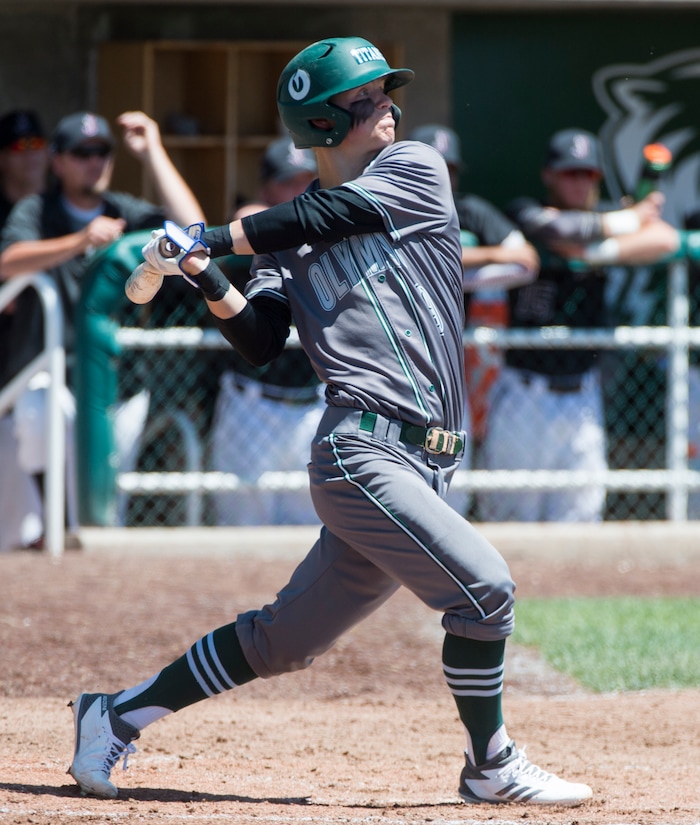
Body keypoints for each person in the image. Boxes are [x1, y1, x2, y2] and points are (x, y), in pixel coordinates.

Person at [67, 37, 593, 807]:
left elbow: (330, 211)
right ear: (322, 122)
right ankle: (492, 762)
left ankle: (113, 713)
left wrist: (213, 237)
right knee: (484, 591)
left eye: (385, 91)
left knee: (281, 642)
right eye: (369, 97)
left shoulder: (414, 172)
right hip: (361, 453)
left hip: (430, 462)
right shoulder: (283, 239)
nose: (389, 105)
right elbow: (260, 339)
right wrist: (207, 274)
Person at [0, 110, 205, 548]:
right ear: (58, 162)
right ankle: (54, 528)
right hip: (52, 370)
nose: (94, 161)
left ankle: (90, 562)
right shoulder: (38, 210)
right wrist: (80, 240)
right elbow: (8, 261)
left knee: (106, 500)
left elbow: (194, 232)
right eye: (81, 153)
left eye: (102, 152)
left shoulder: (123, 210)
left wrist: (153, 151)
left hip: (119, 376)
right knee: (39, 413)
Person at [478, 128, 679, 522]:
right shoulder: (524, 210)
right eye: (570, 173)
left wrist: (596, 252)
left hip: (582, 396)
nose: (579, 182)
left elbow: (667, 239)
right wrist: (625, 222)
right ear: (549, 175)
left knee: (580, 517)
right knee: (510, 519)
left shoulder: (608, 219)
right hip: (524, 390)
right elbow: (555, 232)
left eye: (587, 174)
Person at [408, 124, 539, 513]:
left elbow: (526, 261)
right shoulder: (387, 209)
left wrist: (459, 269)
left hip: (446, 371)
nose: (439, 177)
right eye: (430, 166)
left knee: (451, 491)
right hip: (396, 364)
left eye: (447, 168)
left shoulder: (470, 212)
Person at [209, 134, 325, 525]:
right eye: (286, 182)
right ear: (266, 187)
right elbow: (248, 216)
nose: (296, 191)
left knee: (312, 529)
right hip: (253, 404)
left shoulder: (324, 225)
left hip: (313, 402)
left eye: (304, 180)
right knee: (242, 528)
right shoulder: (253, 230)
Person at [0, 109, 49, 551]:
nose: (32, 155)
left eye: (38, 145)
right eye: (20, 147)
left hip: (50, 359)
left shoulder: (56, 206)